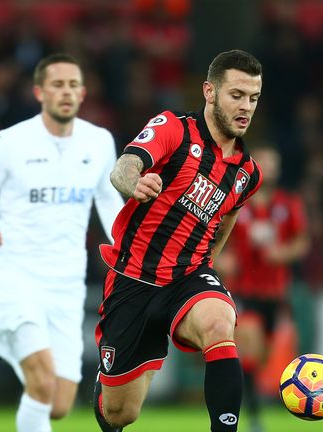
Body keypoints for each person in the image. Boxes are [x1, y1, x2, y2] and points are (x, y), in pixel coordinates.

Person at [94, 49, 263, 432]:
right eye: (236, 95)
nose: (246, 107)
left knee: (220, 324)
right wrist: (134, 183)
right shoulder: (174, 128)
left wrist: (207, 265)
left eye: (253, 98)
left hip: (188, 278)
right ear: (209, 91)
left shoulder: (248, 173)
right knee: (121, 412)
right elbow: (124, 166)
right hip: (133, 279)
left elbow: (228, 218)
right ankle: (106, 395)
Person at [0, 53, 123, 432]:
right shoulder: (9, 142)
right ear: (39, 92)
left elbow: (109, 202)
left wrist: (129, 251)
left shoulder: (99, 141)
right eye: (57, 85)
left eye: (72, 85)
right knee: (42, 381)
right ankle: (6, 333)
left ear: (83, 92)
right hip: (14, 275)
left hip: (65, 282)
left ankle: (0, 341)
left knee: (59, 403)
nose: (65, 92)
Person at [219, 145, 309, 432]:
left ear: (279, 169)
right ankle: (253, 416)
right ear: (254, 165)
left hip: (274, 291)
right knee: (249, 345)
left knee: (263, 356)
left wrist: (283, 253)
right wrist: (223, 259)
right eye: (264, 162)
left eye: (273, 163)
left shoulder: (289, 203)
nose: (268, 168)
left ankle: (254, 402)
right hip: (243, 289)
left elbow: (301, 241)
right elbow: (213, 236)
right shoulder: (237, 201)